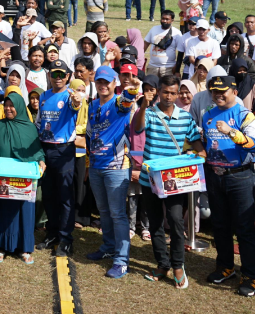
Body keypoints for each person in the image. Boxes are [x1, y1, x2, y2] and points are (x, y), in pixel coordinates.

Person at [131, 74, 203, 288]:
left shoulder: (185, 117)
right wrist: (143, 106)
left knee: (176, 221)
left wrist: (201, 155)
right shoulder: (149, 113)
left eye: (173, 93)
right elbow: (137, 128)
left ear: (178, 93)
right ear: (158, 92)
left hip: (175, 181)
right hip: (150, 179)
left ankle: (178, 265)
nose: (169, 96)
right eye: (165, 92)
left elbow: (196, 143)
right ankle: (162, 264)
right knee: (155, 223)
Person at [201, 75, 255, 298]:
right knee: (220, 225)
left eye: (222, 91)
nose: (218, 95)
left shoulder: (244, 115)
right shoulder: (207, 115)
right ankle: (225, 267)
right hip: (215, 176)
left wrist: (232, 132)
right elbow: (205, 143)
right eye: (214, 91)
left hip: (240, 177)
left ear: (234, 92)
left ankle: (250, 276)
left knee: (244, 228)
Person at [85, 65, 138, 278]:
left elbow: (127, 100)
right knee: (104, 211)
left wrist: (132, 90)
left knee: (117, 213)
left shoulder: (119, 103)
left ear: (114, 83)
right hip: (97, 166)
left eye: (107, 81)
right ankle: (108, 247)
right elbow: (90, 134)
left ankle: (122, 260)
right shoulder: (93, 105)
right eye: (99, 81)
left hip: (116, 167)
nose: (103, 85)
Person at [0, 94, 45, 264]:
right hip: (3, 179)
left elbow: (38, 151)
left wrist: (41, 161)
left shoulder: (30, 128)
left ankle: (24, 248)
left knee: (24, 211)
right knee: (2, 210)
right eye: (6, 105)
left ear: (20, 107)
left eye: (12, 105)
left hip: (23, 180)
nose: (8, 108)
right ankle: (0, 246)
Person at [33, 61, 84, 257]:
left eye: (62, 74)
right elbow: (39, 122)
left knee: (65, 196)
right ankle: (52, 233)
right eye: (55, 74)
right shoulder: (44, 96)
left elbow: (76, 103)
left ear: (68, 76)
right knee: (48, 195)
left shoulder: (70, 95)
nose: (58, 78)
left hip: (64, 150)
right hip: (46, 149)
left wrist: (78, 100)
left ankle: (66, 239)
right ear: (49, 76)